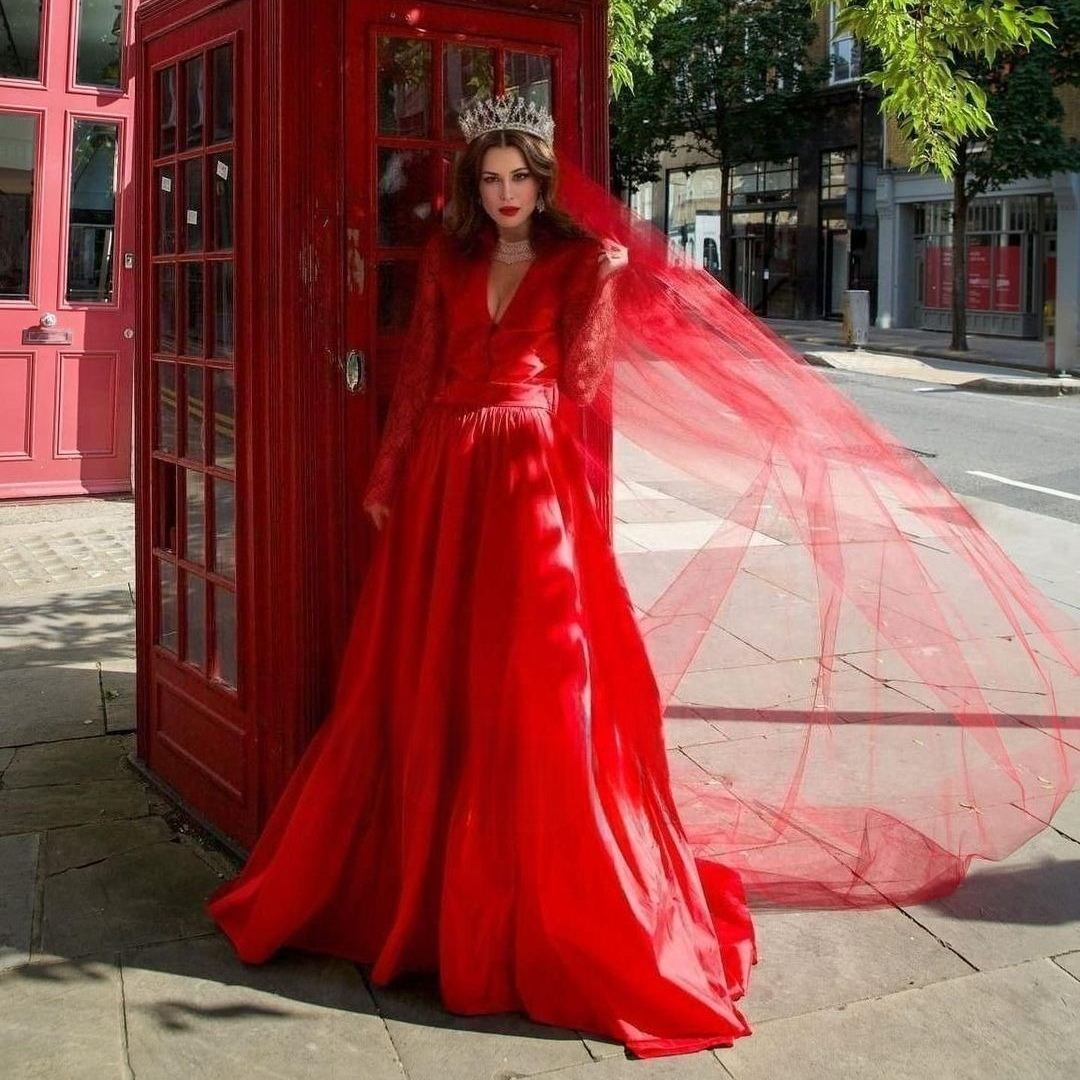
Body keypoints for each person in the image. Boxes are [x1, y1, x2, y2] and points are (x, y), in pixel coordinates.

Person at [207, 94, 756, 1058]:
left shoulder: (576, 261)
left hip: (528, 476)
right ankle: (420, 883)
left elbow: (582, 385)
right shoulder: (449, 258)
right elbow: (418, 368)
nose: (506, 194)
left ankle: (538, 888)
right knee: (429, 669)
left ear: (543, 184)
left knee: (538, 675)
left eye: (520, 178)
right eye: (490, 178)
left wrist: (608, 288)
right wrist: (385, 476)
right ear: (475, 186)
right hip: (446, 470)